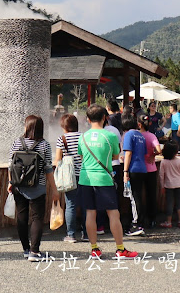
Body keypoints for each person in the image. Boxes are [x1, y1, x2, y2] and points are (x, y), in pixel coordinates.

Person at [78, 105, 137, 259]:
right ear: (105, 118)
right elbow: (115, 157)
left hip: (85, 178)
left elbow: (82, 157)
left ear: (88, 119)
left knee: (90, 213)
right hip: (104, 178)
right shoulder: (110, 136)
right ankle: (120, 249)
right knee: (113, 213)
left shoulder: (82, 137)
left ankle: (94, 249)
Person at [9, 115, 58, 262]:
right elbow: (48, 168)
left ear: (27, 126)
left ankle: (25, 249)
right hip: (37, 186)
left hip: (18, 185)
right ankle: (34, 252)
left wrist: (10, 182)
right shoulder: (44, 145)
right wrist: (54, 189)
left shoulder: (16, 142)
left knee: (21, 217)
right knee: (37, 218)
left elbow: (10, 165)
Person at [55, 113, 84, 243]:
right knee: (85, 204)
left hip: (69, 176)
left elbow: (57, 160)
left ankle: (71, 235)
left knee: (70, 204)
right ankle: (87, 233)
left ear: (64, 126)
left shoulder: (62, 139)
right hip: (84, 174)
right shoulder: (83, 137)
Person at [122, 114, 147, 236]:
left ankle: (136, 224)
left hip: (133, 169)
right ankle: (139, 222)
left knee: (134, 197)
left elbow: (128, 154)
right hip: (142, 168)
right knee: (138, 196)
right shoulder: (140, 135)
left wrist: (125, 171)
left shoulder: (128, 135)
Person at [138, 114, 161, 228]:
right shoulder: (152, 136)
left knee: (138, 195)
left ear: (139, 124)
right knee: (151, 194)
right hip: (151, 168)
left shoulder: (136, 136)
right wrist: (153, 155)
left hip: (139, 168)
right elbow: (159, 150)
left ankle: (140, 220)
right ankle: (152, 219)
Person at [159, 141, 180, 228]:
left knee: (169, 203)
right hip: (179, 184)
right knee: (179, 203)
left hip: (168, 185)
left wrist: (162, 186)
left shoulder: (163, 162)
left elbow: (161, 175)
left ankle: (169, 222)